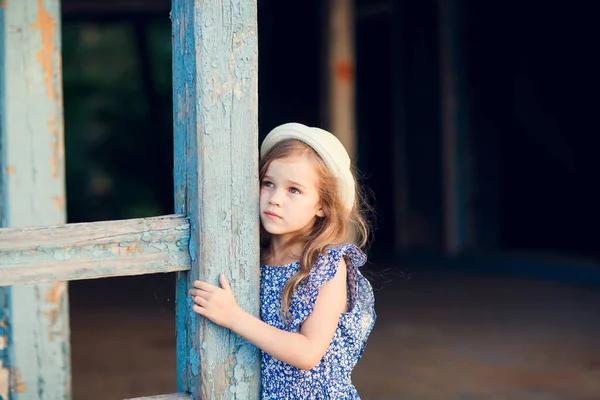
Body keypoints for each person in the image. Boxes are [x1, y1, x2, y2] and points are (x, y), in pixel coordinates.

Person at [189, 122, 376, 399]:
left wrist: (233, 316)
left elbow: (308, 352)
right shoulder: (250, 260)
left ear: (322, 205)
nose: (275, 199)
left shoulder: (327, 266)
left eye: (294, 190)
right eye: (268, 184)